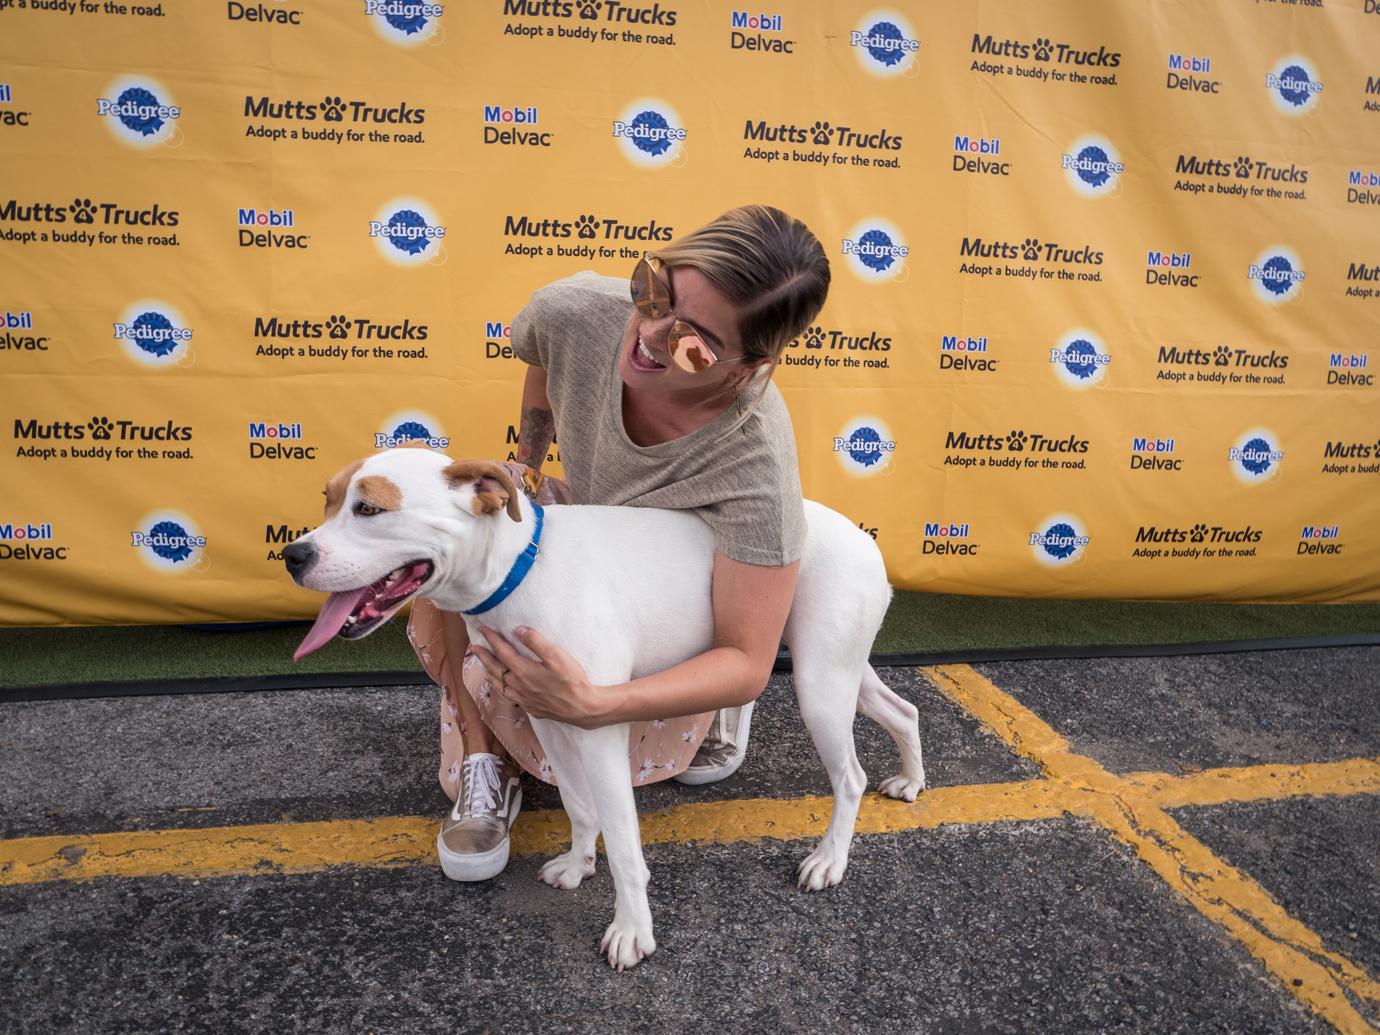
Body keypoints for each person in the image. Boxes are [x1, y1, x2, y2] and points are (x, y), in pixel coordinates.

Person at [406, 204, 831, 881]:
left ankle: (715, 717)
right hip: (584, 533)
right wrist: (530, 467)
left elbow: (749, 659)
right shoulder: (574, 310)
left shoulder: (758, 463)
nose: (652, 333)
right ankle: (482, 757)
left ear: (749, 365)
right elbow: (543, 362)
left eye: (693, 342)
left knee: (583, 736)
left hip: (659, 608)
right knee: (448, 554)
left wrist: (595, 703)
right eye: (654, 288)